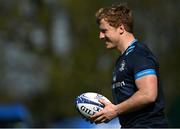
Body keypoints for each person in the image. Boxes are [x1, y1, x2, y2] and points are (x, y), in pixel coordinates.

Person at [90, 3, 168, 128]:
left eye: (104, 31)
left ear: (121, 28)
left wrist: (115, 110)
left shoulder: (139, 53)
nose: (101, 36)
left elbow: (148, 94)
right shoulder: (122, 59)